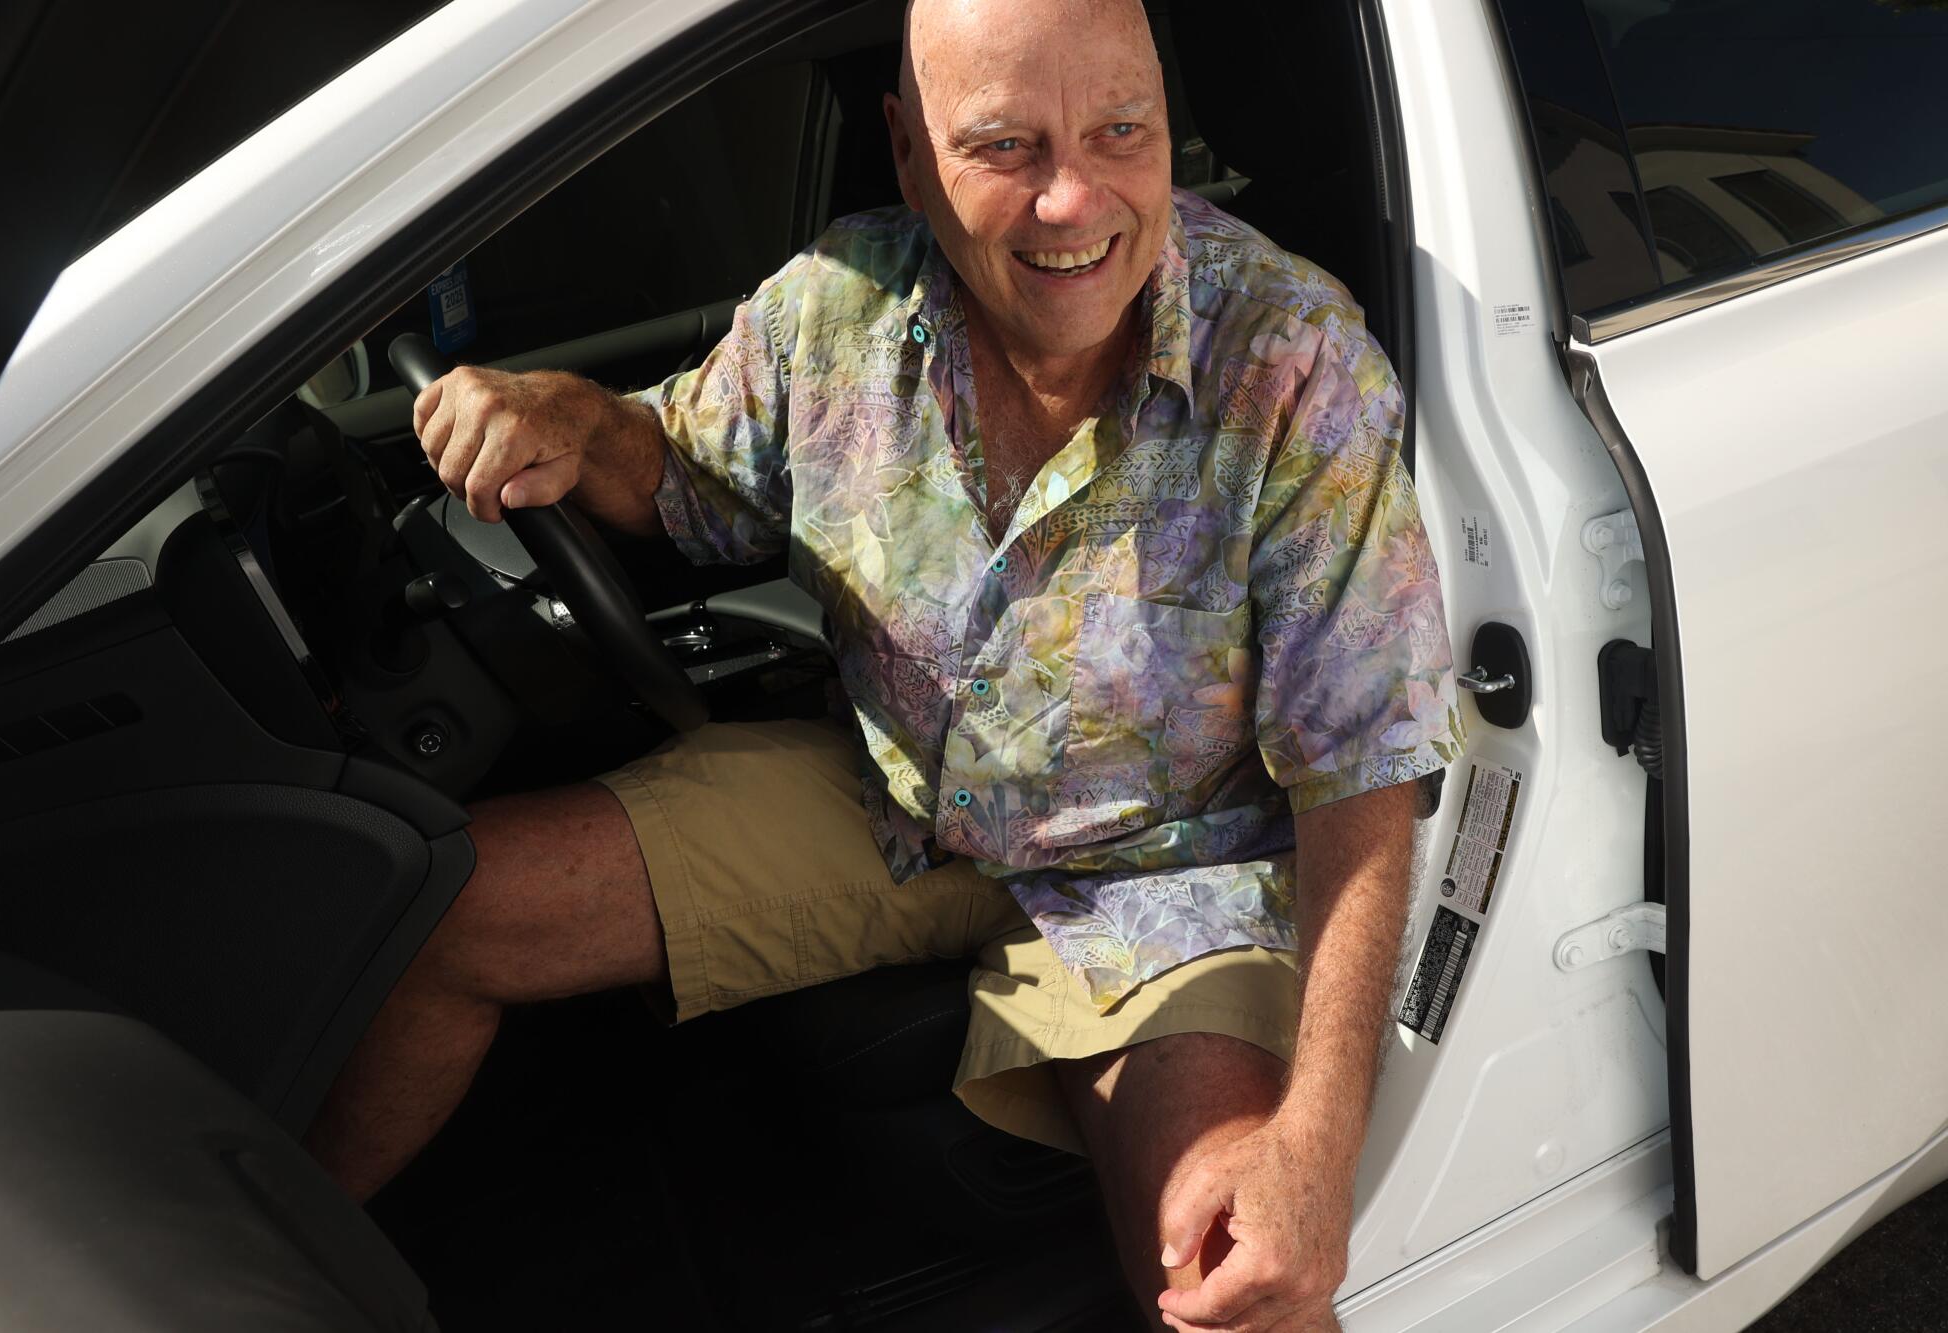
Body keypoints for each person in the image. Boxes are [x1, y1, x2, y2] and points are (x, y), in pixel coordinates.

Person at [306, 0, 1463, 1327]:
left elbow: (1362, 780)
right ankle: (254, 1271)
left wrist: (1313, 1141)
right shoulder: (839, 312)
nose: (1071, 196)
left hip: (1173, 875)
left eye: (1120, 131)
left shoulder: (1295, 359)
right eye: (1005, 145)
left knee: (1234, 1280)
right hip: (897, 799)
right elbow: (686, 470)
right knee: (443, 909)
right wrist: (569, 417)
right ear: (910, 156)